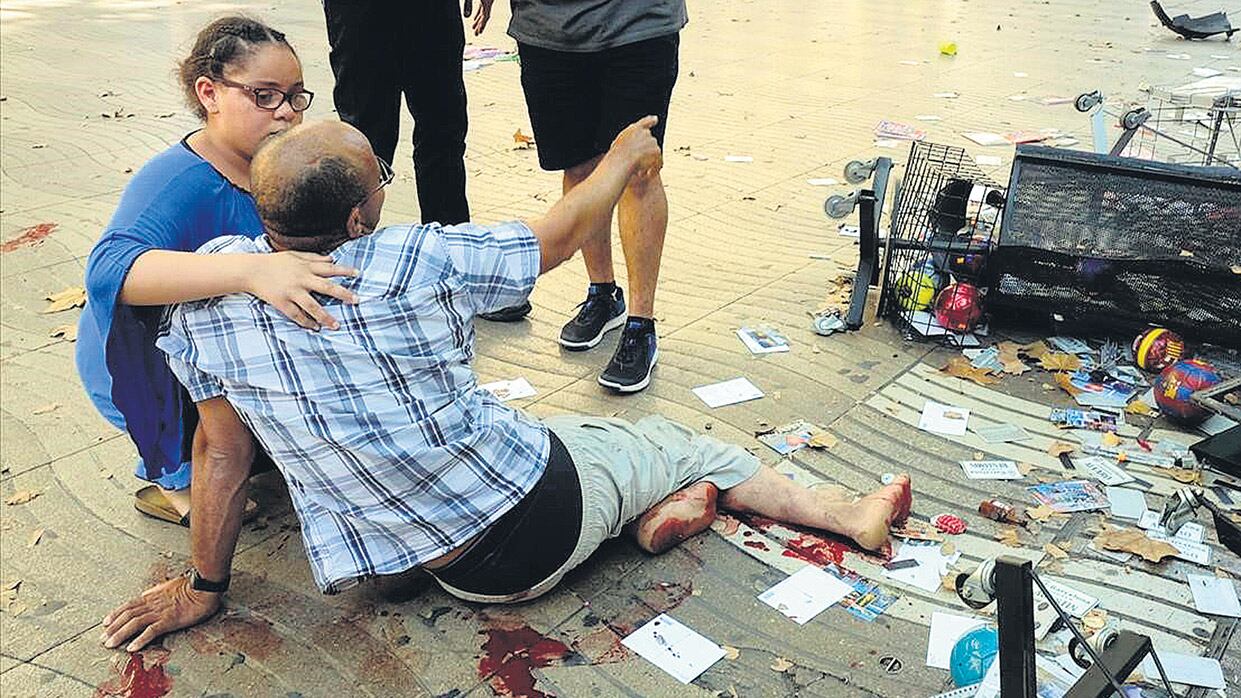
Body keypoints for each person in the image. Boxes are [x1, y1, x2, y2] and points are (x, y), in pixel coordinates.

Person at [98, 120, 913, 652]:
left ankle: (657, 505)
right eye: (378, 174)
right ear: (355, 220)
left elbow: (220, 452)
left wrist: (204, 587)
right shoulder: (415, 259)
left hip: (399, 551)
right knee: (670, 437)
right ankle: (846, 515)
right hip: (526, 533)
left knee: (557, 438)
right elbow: (556, 236)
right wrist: (626, 156)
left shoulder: (207, 292)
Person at [76, 17, 357, 526]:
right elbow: (107, 271)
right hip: (149, 368)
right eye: (264, 96)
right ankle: (174, 477)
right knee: (222, 474)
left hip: (223, 340)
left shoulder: (278, 165)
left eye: (295, 96)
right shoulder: (178, 179)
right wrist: (250, 271)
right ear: (209, 92)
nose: (287, 114)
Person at [482, 0, 686, 391]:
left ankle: (641, 323)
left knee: (638, 173)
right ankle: (603, 293)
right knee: (577, 166)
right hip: (547, 29)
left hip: (637, 24)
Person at [320, 0, 529, 323]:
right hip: (359, 12)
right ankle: (343, 269)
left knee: (443, 133)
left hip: (432, 10)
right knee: (365, 144)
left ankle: (458, 265)